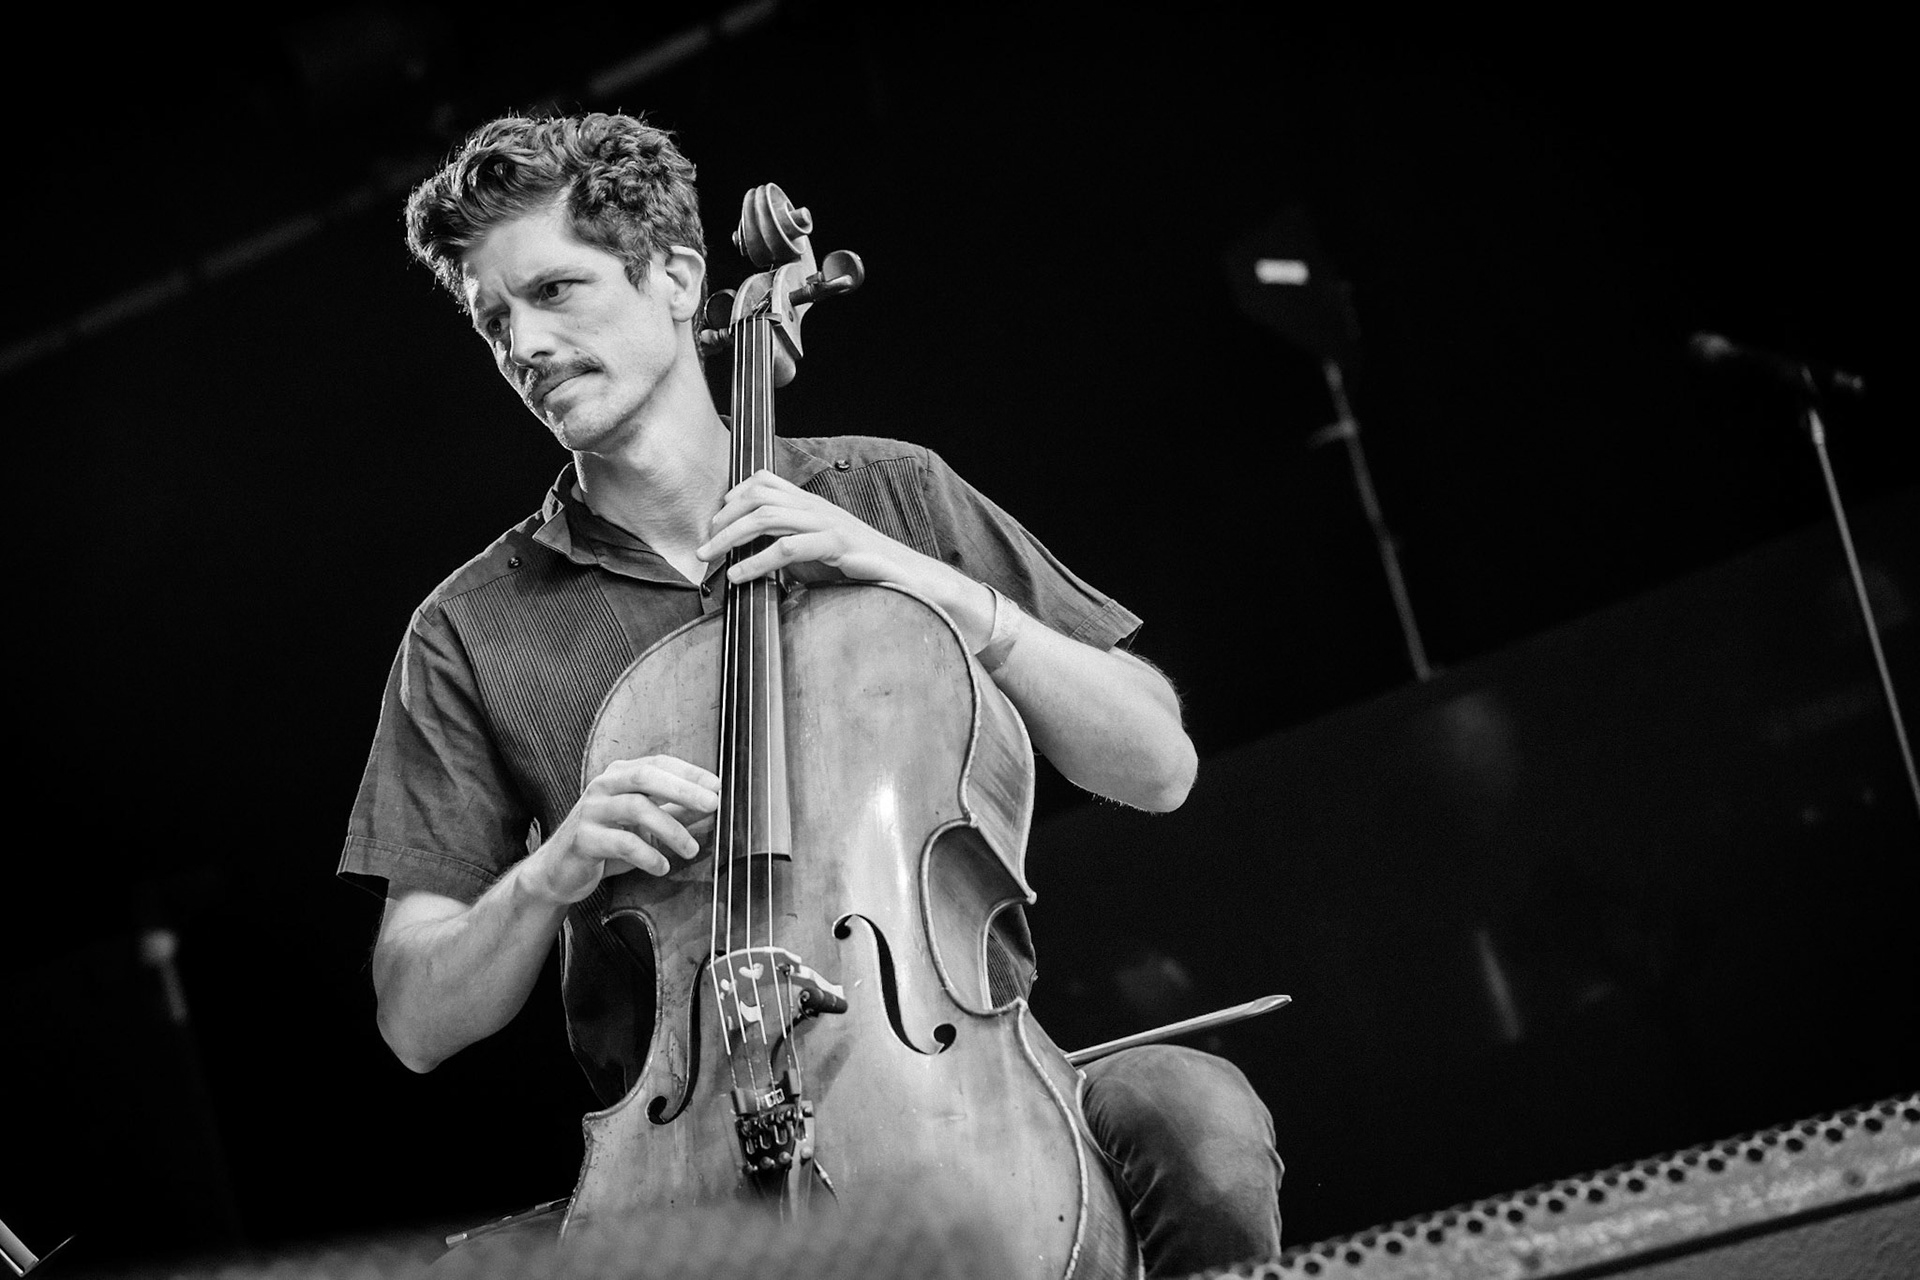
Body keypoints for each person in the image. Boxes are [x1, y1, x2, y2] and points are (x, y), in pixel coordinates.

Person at [339, 110, 1281, 1278]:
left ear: (679, 277)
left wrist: (927, 582)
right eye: (495, 321)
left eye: (556, 292)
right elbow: (415, 1015)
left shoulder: (885, 491)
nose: (524, 342)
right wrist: (551, 869)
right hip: (681, 1156)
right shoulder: (471, 629)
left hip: (951, 1080)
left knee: (1198, 1118)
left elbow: (1158, 760)